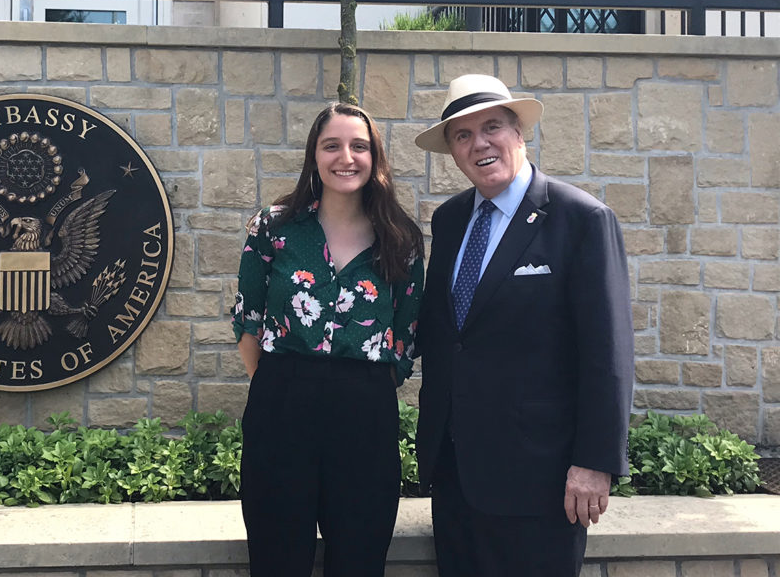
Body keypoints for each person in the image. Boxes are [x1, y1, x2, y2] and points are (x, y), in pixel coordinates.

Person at [412, 74, 634, 577]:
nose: (479, 144)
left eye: (492, 127)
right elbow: (446, 332)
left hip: (542, 480)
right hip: (455, 475)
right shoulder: (449, 220)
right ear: (452, 152)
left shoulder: (581, 219)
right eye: (463, 135)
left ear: (519, 133)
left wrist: (595, 461)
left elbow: (608, 353)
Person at [233, 102, 424, 577]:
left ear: (375, 157)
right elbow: (249, 320)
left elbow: (405, 336)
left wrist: (357, 388)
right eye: (332, 145)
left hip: (365, 413)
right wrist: (281, 383)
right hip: (281, 405)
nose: (346, 157)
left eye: (359, 146)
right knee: (277, 557)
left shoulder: (400, 238)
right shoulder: (274, 228)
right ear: (314, 155)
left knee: (360, 557)